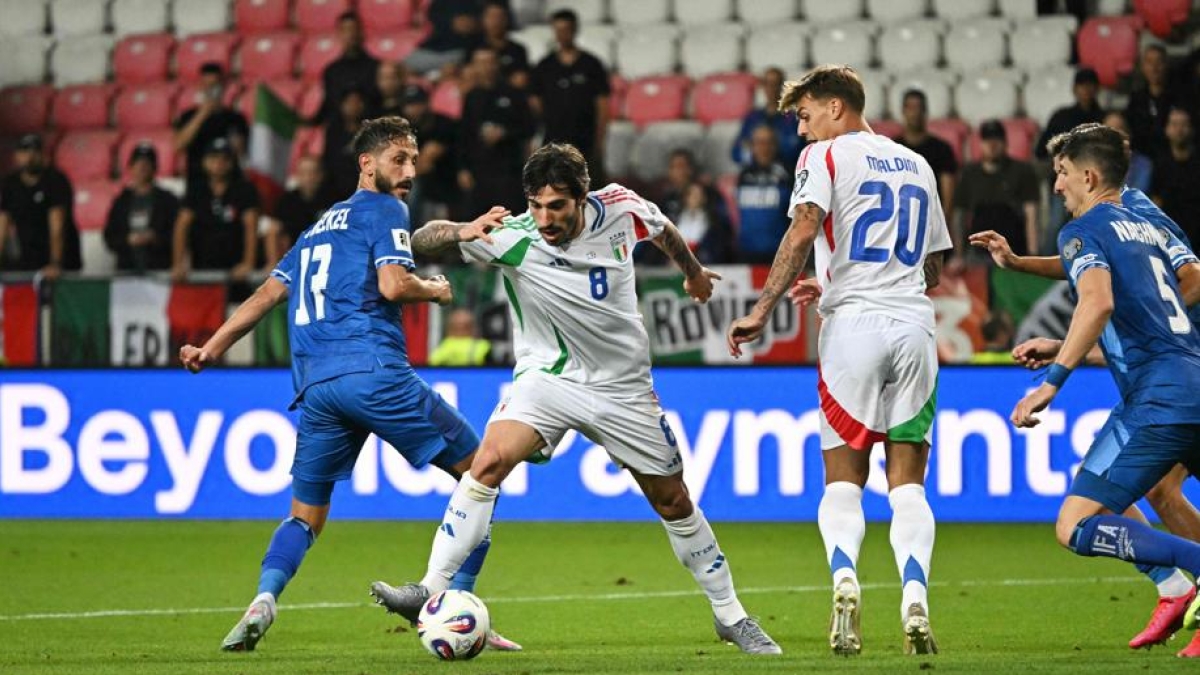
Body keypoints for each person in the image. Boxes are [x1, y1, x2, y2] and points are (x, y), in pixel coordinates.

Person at [368, 143, 782, 656]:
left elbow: (664, 232)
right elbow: (422, 239)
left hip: (622, 388)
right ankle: (429, 588)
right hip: (549, 380)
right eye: (536, 205)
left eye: (557, 206)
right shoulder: (511, 235)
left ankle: (730, 615)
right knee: (488, 462)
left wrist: (693, 272)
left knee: (673, 501)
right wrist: (461, 230)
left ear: (583, 198)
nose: (544, 219)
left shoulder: (622, 208)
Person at [179, 116, 518, 652]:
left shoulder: (318, 227)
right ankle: (459, 603)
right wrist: (433, 290)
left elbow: (266, 295)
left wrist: (211, 347)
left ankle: (264, 598)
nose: (409, 171)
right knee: (484, 473)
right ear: (367, 164)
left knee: (305, 516)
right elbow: (393, 284)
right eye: (398, 159)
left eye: (413, 160)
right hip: (374, 373)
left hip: (317, 387)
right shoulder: (387, 210)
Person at [727, 65, 952, 656]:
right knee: (908, 487)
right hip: (914, 327)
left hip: (852, 330)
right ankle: (914, 597)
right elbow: (932, 268)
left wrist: (763, 308)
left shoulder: (822, 157)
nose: (801, 131)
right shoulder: (919, 163)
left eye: (804, 116)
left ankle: (846, 580)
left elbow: (804, 229)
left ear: (835, 107)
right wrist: (841, 281)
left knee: (844, 482)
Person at [970, 130, 1200, 655]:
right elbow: (1134, 287)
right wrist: (1022, 266)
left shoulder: (1084, 229)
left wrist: (1052, 383)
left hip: (1157, 399)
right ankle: (1174, 588)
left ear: (1089, 176)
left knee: (1075, 524)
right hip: (1191, 375)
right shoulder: (1145, 224)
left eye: (1062, 173)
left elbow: (1097, 302)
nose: (1056, 186)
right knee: (1155, 491)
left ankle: (1187, 577)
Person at [530, 8, 610, 185]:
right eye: (558, 30)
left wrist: (600, 140)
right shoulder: (544, 66)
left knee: (588, 188)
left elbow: (602, 104)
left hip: (585, 139)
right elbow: (535, 101)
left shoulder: (591, 64)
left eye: (566, 29)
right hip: (554, 140)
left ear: (574, 30)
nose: (562, 35)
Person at [170, 138, 261, 282]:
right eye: (214, 158)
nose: (219, 163)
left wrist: (248, 263)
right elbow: (181, 225)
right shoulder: (196, 190)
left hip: (235, 270)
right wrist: (178, 264)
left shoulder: (244, 189)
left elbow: (251, 226)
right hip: (201, 268)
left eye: (225, 159)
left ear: (232, 163)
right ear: (204, 162)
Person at [458, 46, 534, 215]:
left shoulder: (514, 94)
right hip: (479, 172)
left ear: (497, 64)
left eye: (489, 62)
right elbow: (465, 134)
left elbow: (529, 127)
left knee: (510, 221)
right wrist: (463, 168)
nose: (485, 67)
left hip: (508, 171)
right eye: (480, 63)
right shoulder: (471, 97)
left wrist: (505, 133)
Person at [953, 119, 1041, 257]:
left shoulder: (1022, 171)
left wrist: (1033, 255)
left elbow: (1032, 215)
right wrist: (958, 256)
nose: (992, 145)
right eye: (987, 141)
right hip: (978, 251)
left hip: (1013, 251)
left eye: (997, 140)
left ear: (1005, 143)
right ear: (980, 144)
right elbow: (959, 216)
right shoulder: (969, 173)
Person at [0, 134, 81, 276]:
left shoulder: (55, 181)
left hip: (64, 262)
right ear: (16, 156)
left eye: (35, 151)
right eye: (25, 151)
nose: (30, 156)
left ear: (43, 155)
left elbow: (57, 227)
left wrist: (55, 263)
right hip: (28, 260)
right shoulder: (10, 184)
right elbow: (2, 226)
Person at [103, 142, 179, 272]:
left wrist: (155, 238)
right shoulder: (121, 202)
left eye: (147, 163)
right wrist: (127, 240)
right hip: (127, 271)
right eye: (138, 163)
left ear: (155, 168)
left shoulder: (168, 200)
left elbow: (178, 235)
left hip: (160, 271)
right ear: (130, 167)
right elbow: (109, 237)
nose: (142, 167)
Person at [174, 63, 249, 189]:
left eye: (215, 85)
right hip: (198, 183)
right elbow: (178, 145)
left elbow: (243, 153)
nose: (211, 90)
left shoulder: (236, 118)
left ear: (223, 86)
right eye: (207, 85)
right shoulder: (188, 116)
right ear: (200, 87)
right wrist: (202, 114)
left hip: (230, 185)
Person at [894, 89, 957, 226]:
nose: (915, 113)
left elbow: (948, 200)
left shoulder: (942, 150)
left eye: (919, 108)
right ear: (903, 111)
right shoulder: (892, 149)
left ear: (925, 112)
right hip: (899, 223)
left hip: (931, 223)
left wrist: (940, 227)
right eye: (911, 108)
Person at [735, 125, 793, 264]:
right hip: (746, 252)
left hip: (781, 253)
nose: (763, 147)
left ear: (775, 146)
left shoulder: (788, 175)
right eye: (759, 142)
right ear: (752, 146)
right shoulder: (743, 176)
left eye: (768, 142)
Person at [264, 155, 337, 266]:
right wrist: (273, 265)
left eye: (313, 173)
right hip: (296, 260)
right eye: (303, 173)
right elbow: (273, 231)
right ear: (297, 176)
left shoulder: (334, 200)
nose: (308, 178)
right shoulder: (287, 200)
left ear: (321, 175)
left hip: (328, 259)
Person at [732, 67, 803, 171]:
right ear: (762, 86)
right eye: (767, 83)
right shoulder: (752, 118)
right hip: (754, 173)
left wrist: (762, 149)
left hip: (786, 174)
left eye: (776, 84)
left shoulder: (793, 120)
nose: (771, 88)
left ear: (783, 87)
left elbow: (798, 151)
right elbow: (736, 153)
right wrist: (755, 156)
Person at [318, 12, 380, 124]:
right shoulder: (331, 71)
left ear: (362, 32)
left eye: (354, 29)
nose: (351, 34)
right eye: (346, 30)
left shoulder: (377, 67)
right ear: (339, 34)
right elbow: (328, 105)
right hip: (339, 129)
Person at [1151, 107, 1200, 245]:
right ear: (1166, 129)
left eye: (1184, 124)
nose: (1179, 130)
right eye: (1174, 124)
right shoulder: (1159, 165)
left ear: (1192, 129)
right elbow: (1155, 201)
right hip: (1169, 237)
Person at [1126, 44, 1178, 157]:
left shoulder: (1179, 98)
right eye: (1149, 62)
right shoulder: (1136, 99)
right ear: (1142, 67)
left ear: (1166, 65)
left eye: (1159, 62)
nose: (1154, 68)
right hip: (1143, 158)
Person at [465, 1, 529, 89]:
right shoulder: (473, 47)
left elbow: (522, 76)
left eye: (500, 17)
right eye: (491, 17)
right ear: (483, 20)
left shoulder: (518, 50)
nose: (496, 22)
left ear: (507, 20)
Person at [323, 87, 369, 199]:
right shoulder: (333, 132)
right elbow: (329, 161)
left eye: (358, 102)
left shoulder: (370, 131)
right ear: (341, 105)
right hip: (336, 188)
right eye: (349, 102)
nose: (354, 106)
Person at [1103, 110, 1153, 194]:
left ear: (1128, 134)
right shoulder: (1090, 166)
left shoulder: (1143, 165)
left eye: (1119, 128)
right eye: (1109, 129)